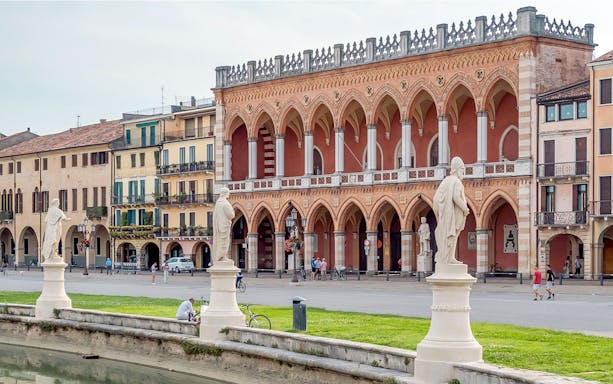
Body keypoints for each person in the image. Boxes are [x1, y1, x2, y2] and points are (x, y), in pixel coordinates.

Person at [432, 157, 469, 265]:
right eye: (462, 170)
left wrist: (440, 212)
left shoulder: (445, 181)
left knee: (450, 236)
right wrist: (465, 209)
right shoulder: (456, 182)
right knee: (453, 236)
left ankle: (449, 258)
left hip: (446, 215)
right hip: (454, 214)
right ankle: (450, 258)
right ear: (457, 169)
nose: (463, 172)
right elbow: (456, 197)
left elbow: (436, 199)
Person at [213, 187, 235, 262]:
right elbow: (231, 215)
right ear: (226, 193)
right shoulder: (225, 203)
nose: (229, 194)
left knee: (220, 241)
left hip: (219, 226)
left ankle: (220, 257)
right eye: (228, 193)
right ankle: (222, 257)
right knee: (224, 242)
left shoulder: (218, 203)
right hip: (224, 225)